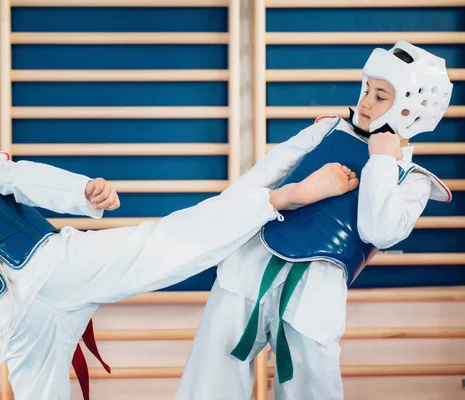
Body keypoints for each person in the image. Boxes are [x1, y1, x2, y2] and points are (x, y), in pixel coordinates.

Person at [0, 92, 358, 399]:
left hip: (15, 324)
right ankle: (279, 197)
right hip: (58, 267)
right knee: (164, 242)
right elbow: (27, 178)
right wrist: (84, 192)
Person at [176, 40, 453, 400]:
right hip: (251, 265)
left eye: (381, 95)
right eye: (367, 89)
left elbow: (379, 231)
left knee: (313, 390)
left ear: (411, 109)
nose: (366, 101)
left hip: (316, 293)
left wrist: (383, 160)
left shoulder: (413, 180)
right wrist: (218, 236)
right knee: (210, 380)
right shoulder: (325, 130)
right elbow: (254, 182)